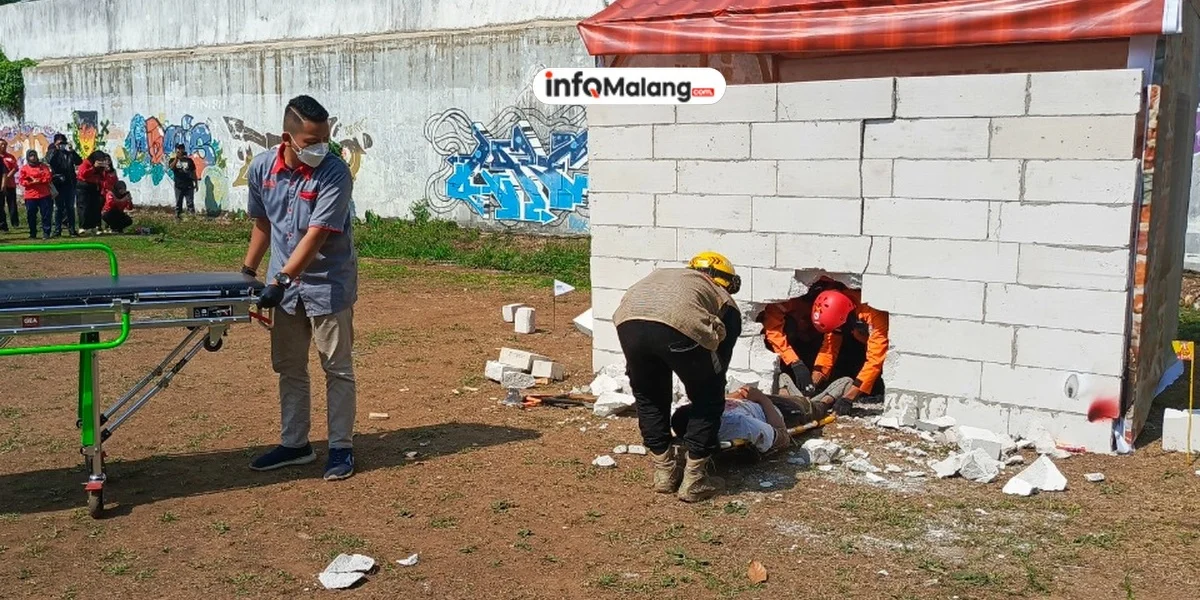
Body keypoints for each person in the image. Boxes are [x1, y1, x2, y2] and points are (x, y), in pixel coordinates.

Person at [241, 95, 359, 481]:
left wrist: (281, 280)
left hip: (329, 285)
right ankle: (295, 444)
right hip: (284, 290)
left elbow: (318, 235)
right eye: (311, 142)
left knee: (337, 369)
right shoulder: (262, 170)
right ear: (286, 138)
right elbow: (262, 225)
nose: (321, 149)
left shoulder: (335, 172)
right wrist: (247, 272)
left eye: (324, 139)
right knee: (290, 367)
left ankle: (340, 447)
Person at [613, 252, 742, 503]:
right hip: (679, 324)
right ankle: (694, 480)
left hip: (628, 322)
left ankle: (664, 472)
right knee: (709, 397)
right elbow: (718, 366)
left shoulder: (669, 276)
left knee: (649, 395)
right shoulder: (723, 298)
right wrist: (707, 388)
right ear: (725, 281)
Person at [762, 278, 869, 397]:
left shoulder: (865, 311)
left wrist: (850, 396)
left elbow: (876, 354)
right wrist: (795, 363)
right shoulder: (786, 296)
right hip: (796, 341)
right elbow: (773, 330)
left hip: (851, 341)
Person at [806, 288, 890, 415]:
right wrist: (812, 384)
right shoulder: (834, 308)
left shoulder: (874, 314)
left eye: (839, 328)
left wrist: (848, 398)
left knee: (859, 336)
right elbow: (828, 350)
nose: (837, 331)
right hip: (856, 331)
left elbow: (875, 359)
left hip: (874, 346)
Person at [46, 133, 83, 237]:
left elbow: (79, 161)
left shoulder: (69, 153)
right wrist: (56, 149)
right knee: (58, 208)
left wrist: (72, 151)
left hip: (70, 184)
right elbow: (49, 160)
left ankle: (72, 230)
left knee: (70, 207)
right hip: (58, 184)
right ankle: (57, 230)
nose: (61, 144)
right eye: (59, 142)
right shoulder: (52, 152)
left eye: (63, 142)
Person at [77, 151, 117, 235]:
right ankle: (83, 226)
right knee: (84, 207)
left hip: (94, 186)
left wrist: (105, 170)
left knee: (94, 207)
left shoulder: (101, 167)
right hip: (83, 186)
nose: (101, 161)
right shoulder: (86, 163)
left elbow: (102, 177)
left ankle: (94, 226)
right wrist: (94, 167)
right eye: (100, 159)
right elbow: (83, 174)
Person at [17, 150, 53, 240]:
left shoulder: (43, 166)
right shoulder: (25, 168)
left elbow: (48, 177)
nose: (33, 157)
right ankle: (33, 233)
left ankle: (46, 233)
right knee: (31, 215)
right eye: (31, 156)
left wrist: (39, 180)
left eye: (34, 155)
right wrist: (30, 182)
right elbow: (22, 181)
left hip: (44, 194)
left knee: (46, 214)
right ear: (28, 157)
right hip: (31, 195)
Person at [168, 144, 199, 219]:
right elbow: (171, 167)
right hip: (178, 186)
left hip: (189, 185)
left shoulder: (189, 161)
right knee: (178, 203)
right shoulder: (172, 160)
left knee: (190, 203)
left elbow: (193, 173)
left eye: (181, 149)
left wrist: (196, 183)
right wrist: (176, 158)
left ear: (184, 149)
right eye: (178, 149)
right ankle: (178, 218)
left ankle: (191, 218)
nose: (180, 150)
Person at [0, 139, 18, 230]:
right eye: (2, 144)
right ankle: (3, 223)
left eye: (5, 145)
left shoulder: (10, 157)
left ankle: (15, 223)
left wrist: (7, 177)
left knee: (12, 204)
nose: (3, 146)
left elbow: (15, 168)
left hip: (10, 184)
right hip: (1, 185)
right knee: (1, 205)